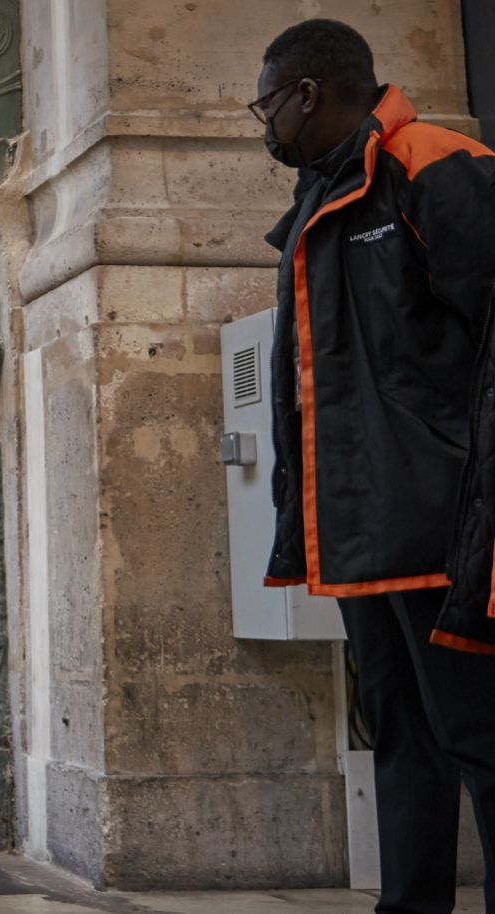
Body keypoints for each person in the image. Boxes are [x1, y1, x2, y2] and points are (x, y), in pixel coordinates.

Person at [254, 20, 495, 914]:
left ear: (307, 93)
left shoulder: (434, 164)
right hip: (360, 525)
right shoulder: (323, 198)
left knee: (479, 736)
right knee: (399, 738)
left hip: (443, 521)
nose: (265, 124)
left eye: (267, 103)